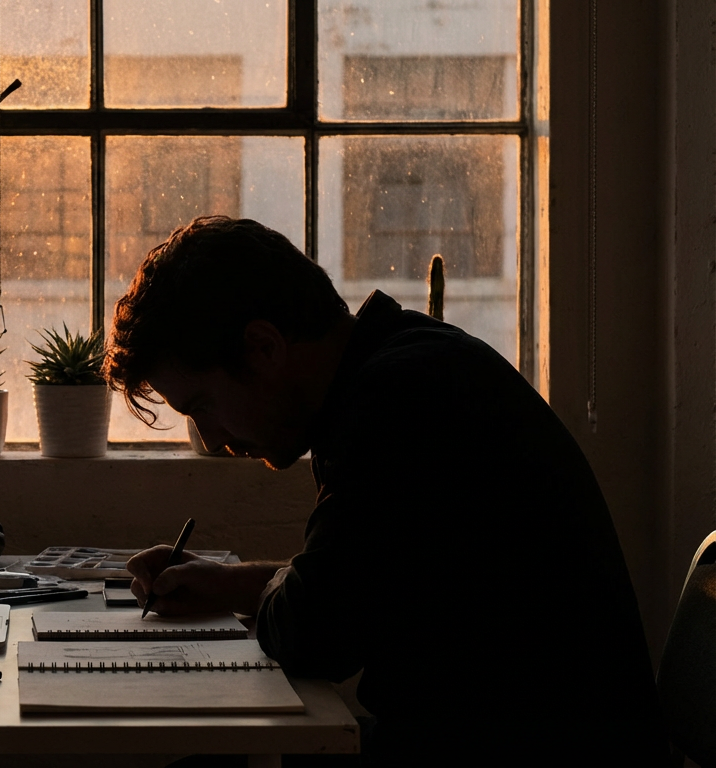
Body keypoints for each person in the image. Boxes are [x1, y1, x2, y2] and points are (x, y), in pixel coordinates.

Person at [109, 216, 668, 766]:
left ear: (263, 348)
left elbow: (315, 635)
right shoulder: (401, 367)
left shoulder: (396, 404)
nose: (211, 439)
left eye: (202, 406)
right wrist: (233, 584)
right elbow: (362, 583)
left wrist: (270, 590)